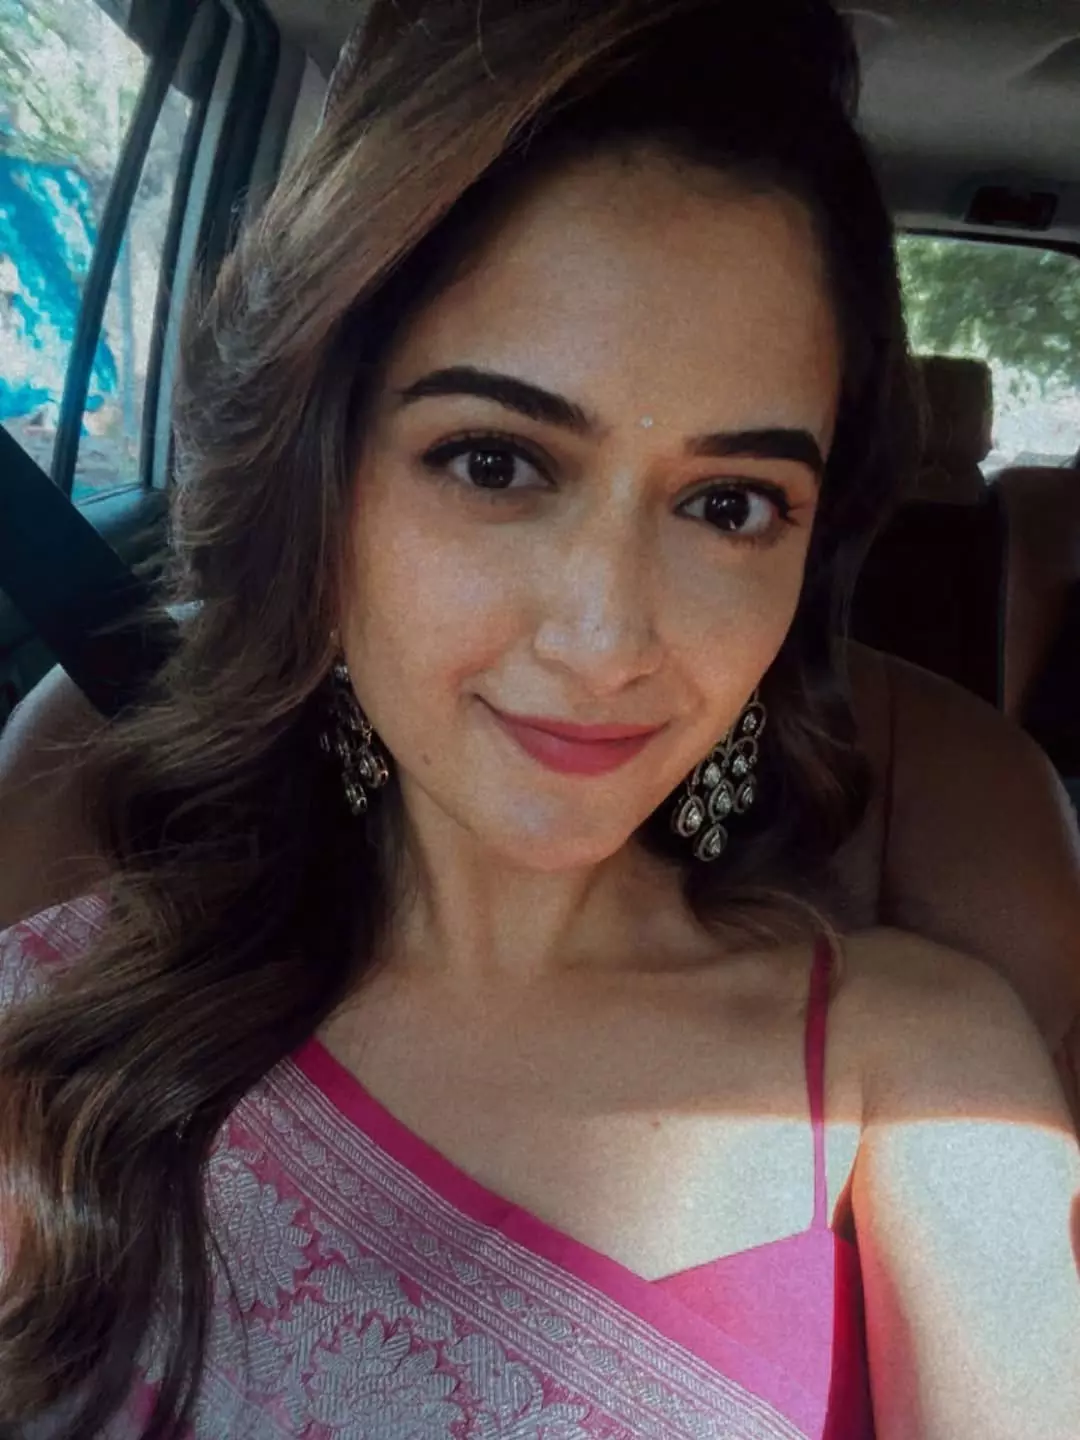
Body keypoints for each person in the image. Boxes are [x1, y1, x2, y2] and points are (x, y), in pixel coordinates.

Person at [0, 2, 1077, 1437]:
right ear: (319, 485)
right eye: (495, 463)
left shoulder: (930, 1085)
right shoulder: (73, 1011)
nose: (606, 643)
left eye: (729, 504)